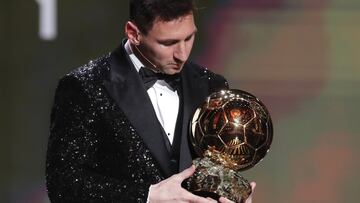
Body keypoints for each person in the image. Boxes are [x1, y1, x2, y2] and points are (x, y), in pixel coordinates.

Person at [46, 0, 255, 202]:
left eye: (189, 38)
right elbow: (63, 184)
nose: (182, 54)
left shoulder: (212, 85)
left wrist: (234, 194)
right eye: (168, 43)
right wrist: (147, 196)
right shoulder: (84, 87)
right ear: (133, 33)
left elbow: (216, 174)